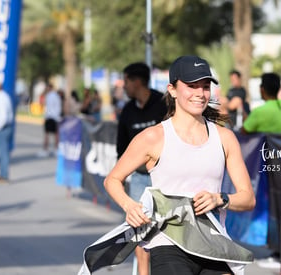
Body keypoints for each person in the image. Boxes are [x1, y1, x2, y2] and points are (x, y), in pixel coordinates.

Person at [104, 55, 256, 275]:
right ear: (172, 90)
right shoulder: (153, 137)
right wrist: (130, 206)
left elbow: (248, 198)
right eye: (192, 86)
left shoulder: (225, 138)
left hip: (212, 242)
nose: (200, 94)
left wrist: (220, 198)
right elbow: (112, 180)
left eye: (205, 87)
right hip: (168, 244)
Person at [115, 62, 167, 275]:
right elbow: (121, 148)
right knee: (141, 231)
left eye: (126, 81)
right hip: (139, 179)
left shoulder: (164, 104)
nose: (123, 87)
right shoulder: (127, 111)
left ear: (137, 82)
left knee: (166, 232)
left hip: (164, 178)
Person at [37, 83, 62, 157]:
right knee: (56, 134)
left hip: (50, 117)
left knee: (47, 134)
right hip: (55, 117)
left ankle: (45, 149)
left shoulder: (49, 96)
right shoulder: (56, 96)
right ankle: (56, 149)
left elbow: (43, 104)